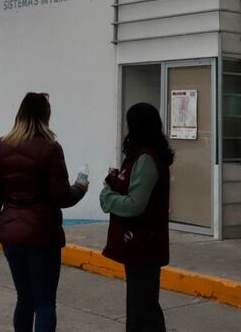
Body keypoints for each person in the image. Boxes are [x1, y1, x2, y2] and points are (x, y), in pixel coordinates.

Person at [0, 92, 89, 332]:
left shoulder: (1, 145)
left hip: (11, 232)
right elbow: (61, 197)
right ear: (46, 116)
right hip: (42, 234)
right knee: (44, 302)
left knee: (24, 298)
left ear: (19, 113)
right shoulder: (51, 148)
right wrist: (80, 188)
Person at [100, 103, 174, 332]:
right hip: (141, 244)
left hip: (143, 243)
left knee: (143, 310)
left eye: (128, 122)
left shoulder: (146, 160)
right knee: (140, 305)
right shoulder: (143, 156)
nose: (125, 127)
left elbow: (135, 204)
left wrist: (107, 196)